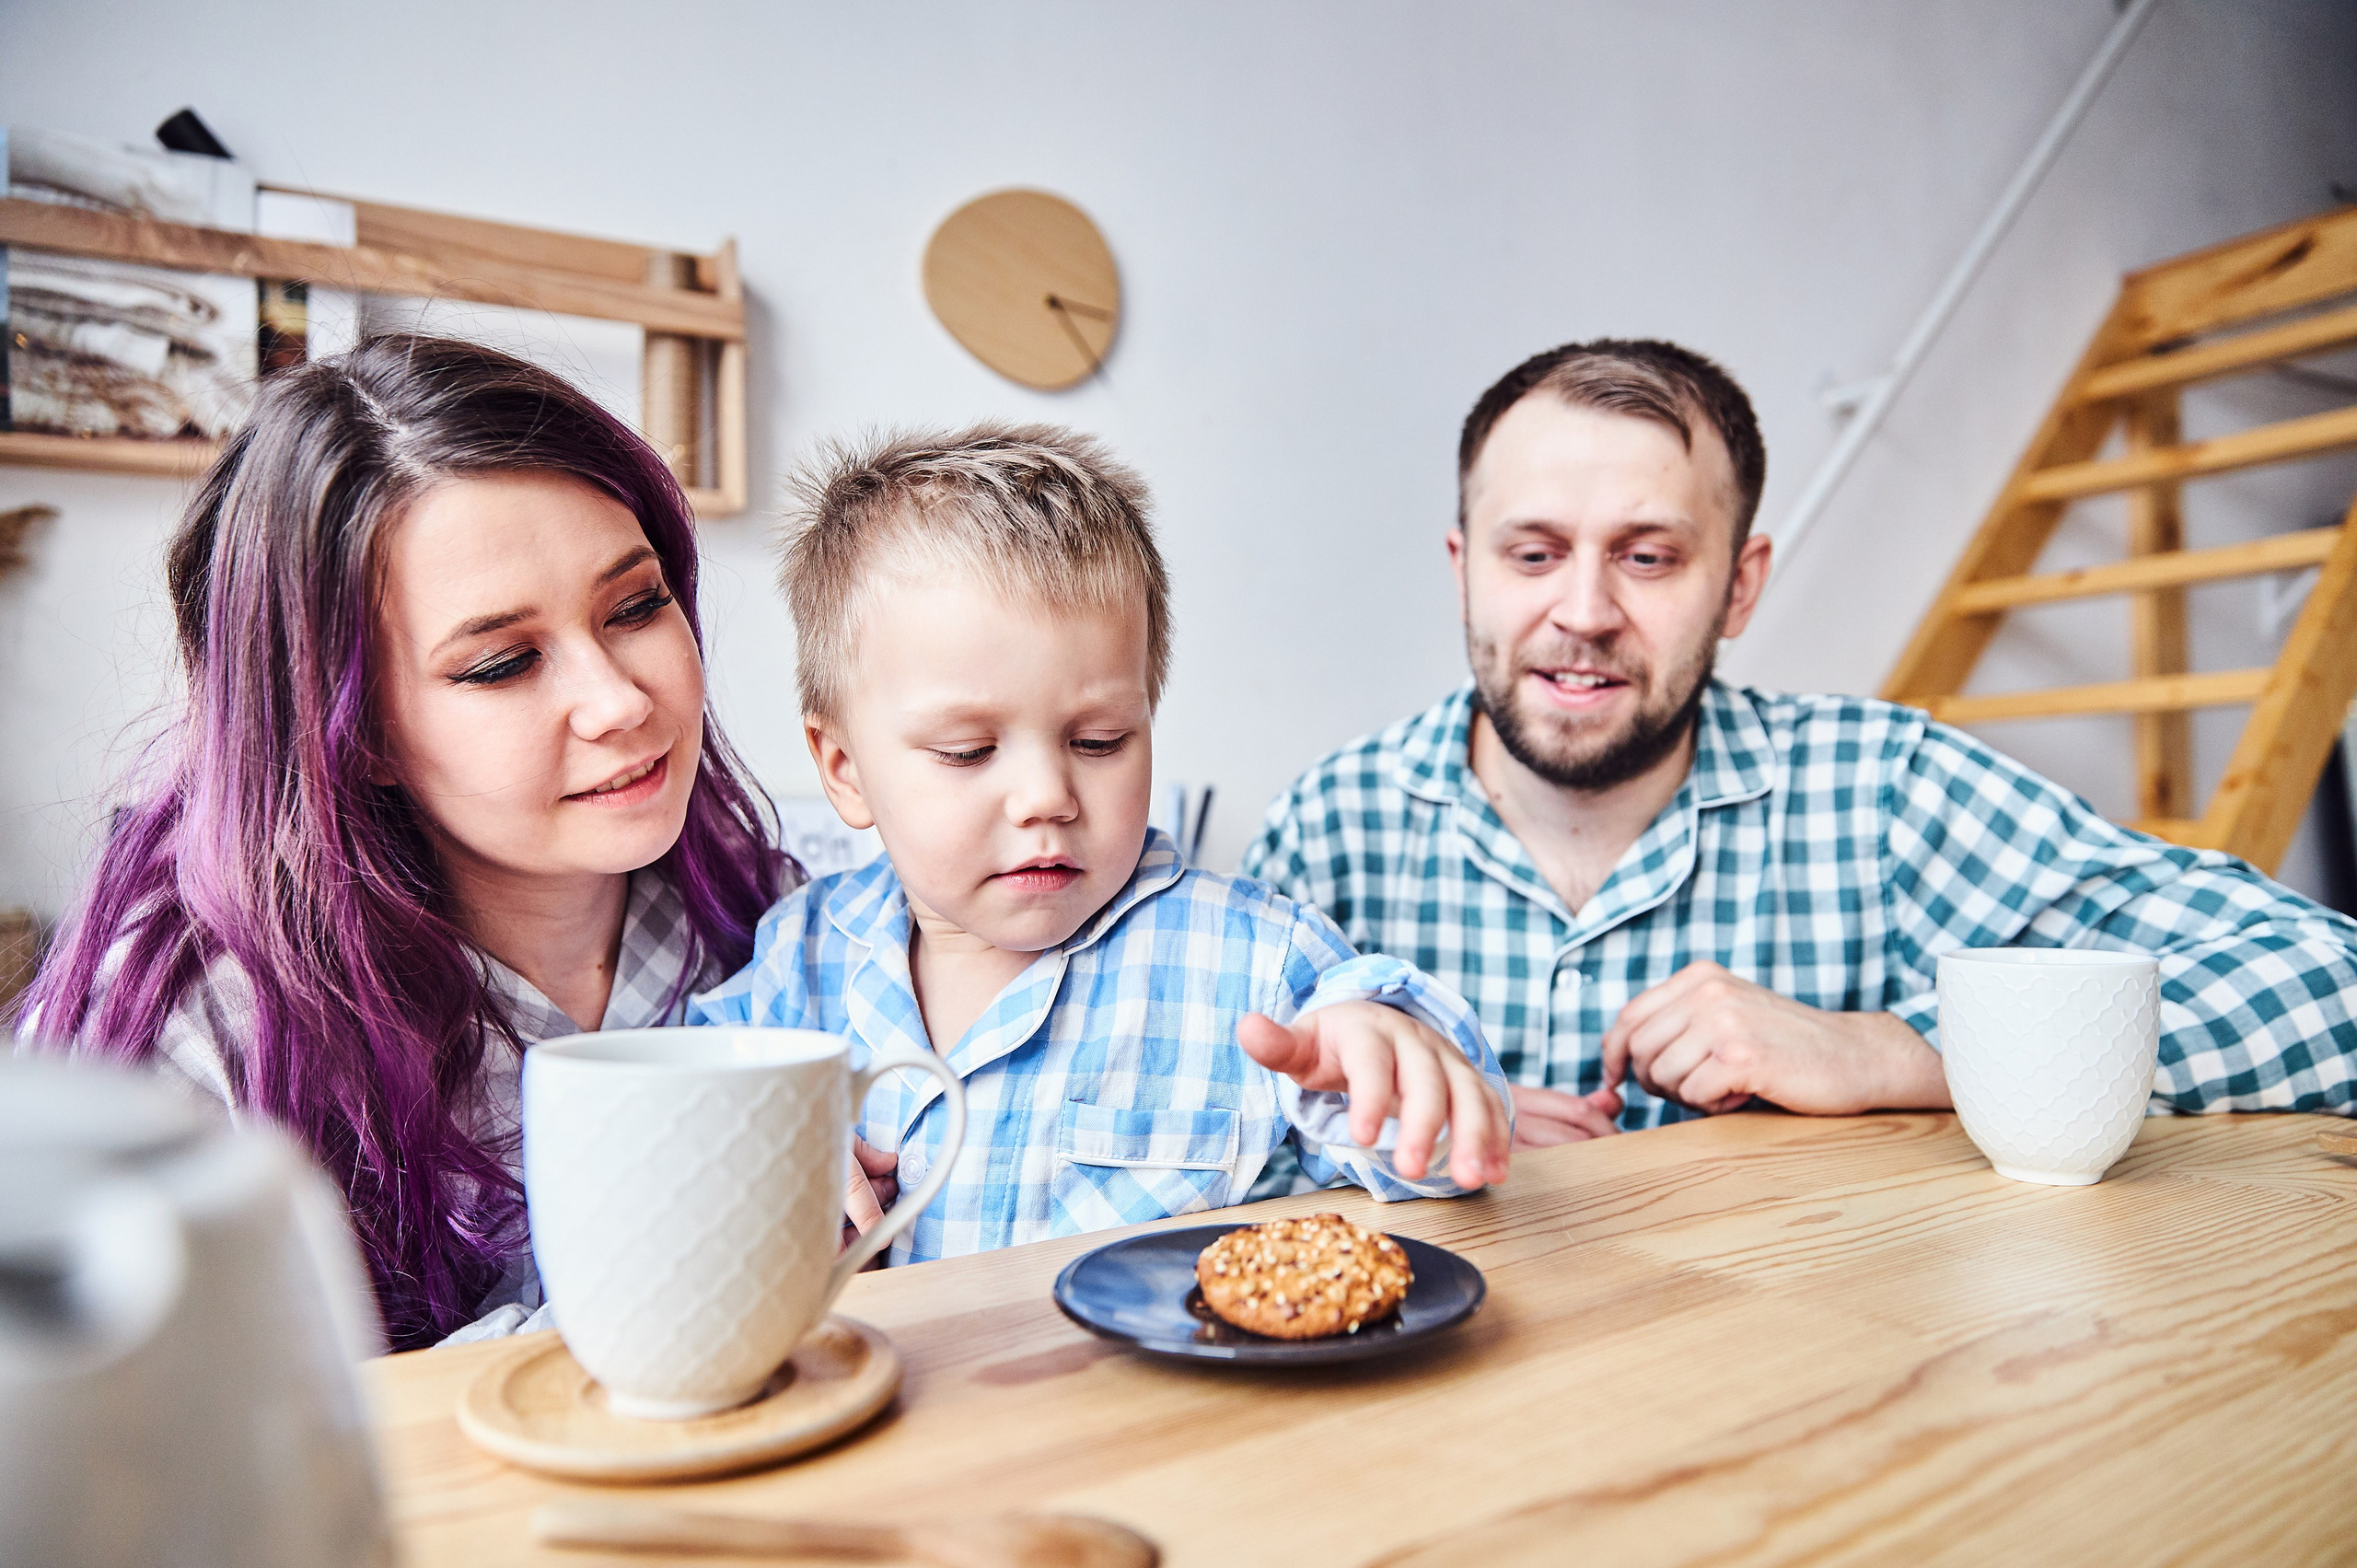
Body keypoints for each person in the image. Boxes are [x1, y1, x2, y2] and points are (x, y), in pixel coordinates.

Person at [1244, 337, 2357, 1148]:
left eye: (1647, 557)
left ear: (1739, 585)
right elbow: (1199, 1132)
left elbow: (2329, 984)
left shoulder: (1883, 790)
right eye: (1532, 554)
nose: (1582, 611)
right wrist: (1383, 1136)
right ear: (1463, 571)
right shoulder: (1333, 828)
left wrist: (1890, 1052)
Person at [16, 336, 796, 1348]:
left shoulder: (775, 920)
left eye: (637, 605)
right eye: (503, 663)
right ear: (354, 729)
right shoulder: (194, 1037)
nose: (619, 701)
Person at [691, 424, 1512, 1262]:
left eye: (1099, 741)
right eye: (968, 752)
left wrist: (1396, 1067)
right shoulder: (798, 963)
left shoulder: (1257, 968)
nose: (1047, 796)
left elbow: (1441, 1169)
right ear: (845, 769)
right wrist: (758, 1156)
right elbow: (680, 1128)